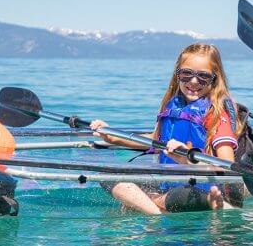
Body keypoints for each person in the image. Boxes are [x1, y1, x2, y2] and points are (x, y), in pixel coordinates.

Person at [89, 43, 244, 214]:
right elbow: (156, 140)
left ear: (215, 78)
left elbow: (228, 166)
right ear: (177, 75)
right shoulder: (173, 105)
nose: (193, 81)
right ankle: (159, 210)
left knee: (183, 194)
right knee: (108, 177)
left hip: (201, 187)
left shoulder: (216, 113)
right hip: (170, 185)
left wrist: (187, 160)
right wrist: (113, 137)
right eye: (186, 74)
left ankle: (161, 210)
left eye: (203, 76)